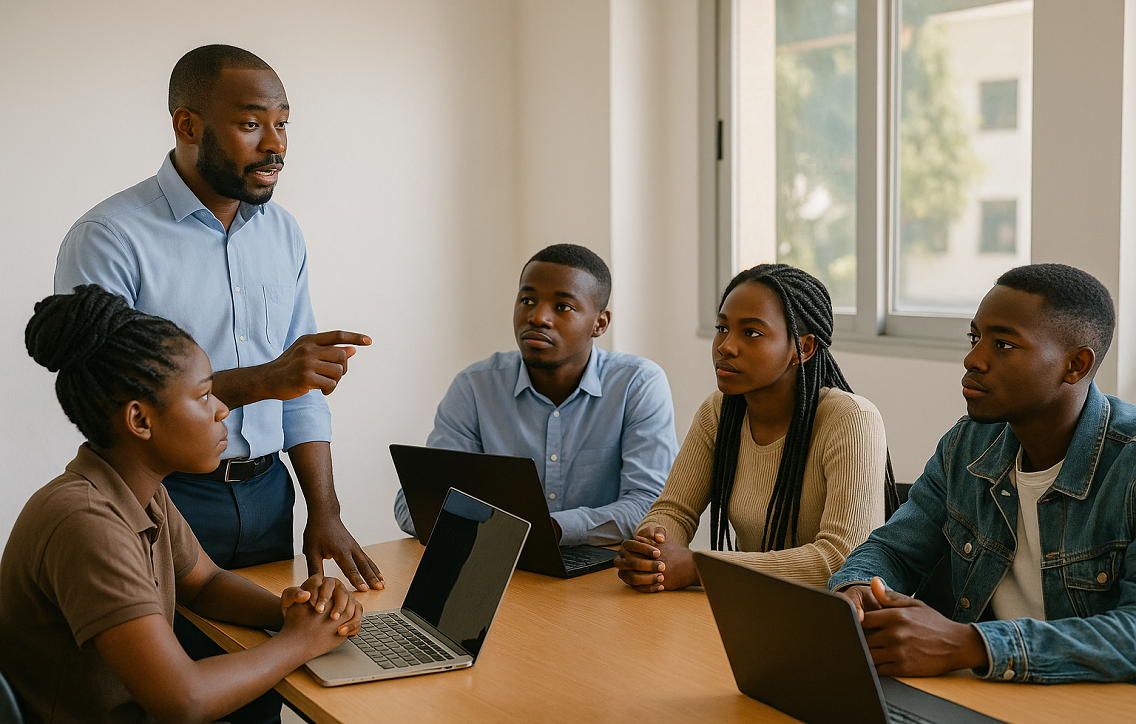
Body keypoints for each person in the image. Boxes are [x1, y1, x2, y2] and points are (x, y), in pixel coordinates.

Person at [54, 45, 381, 589]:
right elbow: (111, 402)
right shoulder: (109, 238)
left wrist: (324, 509)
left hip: (270, 493)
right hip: (161, 495)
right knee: (166, 646)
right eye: (251, 124)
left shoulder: (283, 232)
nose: (275, 144)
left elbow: (300, 389)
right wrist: (266, 379)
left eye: (282, 124)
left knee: (277, 640)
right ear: (187, 124)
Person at [0, 285, 363, 723]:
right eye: (204, 396)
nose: (222, 410)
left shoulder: (143, 492)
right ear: (140, 420)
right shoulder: (87, 522)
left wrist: (296, 609)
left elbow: (204, 583)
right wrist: (299, 642)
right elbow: (184, 701)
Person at [829, 263, 1136, 683]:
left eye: (1004, 344)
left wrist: (970, 644)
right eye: (975, 338)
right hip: (983, 691)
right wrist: (857, 588)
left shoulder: (1128, 465)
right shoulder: (967, 444)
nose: (972, 359)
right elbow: (895, 550)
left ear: (1075, 365)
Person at [615, 264, 895, 591]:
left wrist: (700, 568)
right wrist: (654, 547)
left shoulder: (851, 418)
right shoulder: (719, 411)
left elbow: (841, 559)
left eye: (751, 333)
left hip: (827, 614)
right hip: (747, 605)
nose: (726, 346)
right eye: (722, 328)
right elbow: (673, 510)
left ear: (803, 348)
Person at [393, 244, 679, 546]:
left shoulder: (638, 384)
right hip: (496, 555)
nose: (538, 317)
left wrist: (549, 529)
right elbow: (414, 505)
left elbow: (649, 506)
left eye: (563, 307)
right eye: (527, 300)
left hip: (603, 564)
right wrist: (508, 533)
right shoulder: (474, 386)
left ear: (600, 323)